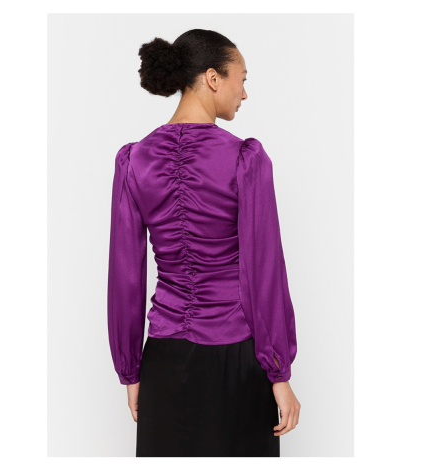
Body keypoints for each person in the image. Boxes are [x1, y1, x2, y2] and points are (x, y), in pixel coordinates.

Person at [107, 29, 300, 457]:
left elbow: (125, 276)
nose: (244, 93)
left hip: (163, 359)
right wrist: (279, 372)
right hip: (235, 357)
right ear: (213, 78)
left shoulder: (134, 160)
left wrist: (131, 371)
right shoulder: (245, 159)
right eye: (241, 79)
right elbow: (264, 272)